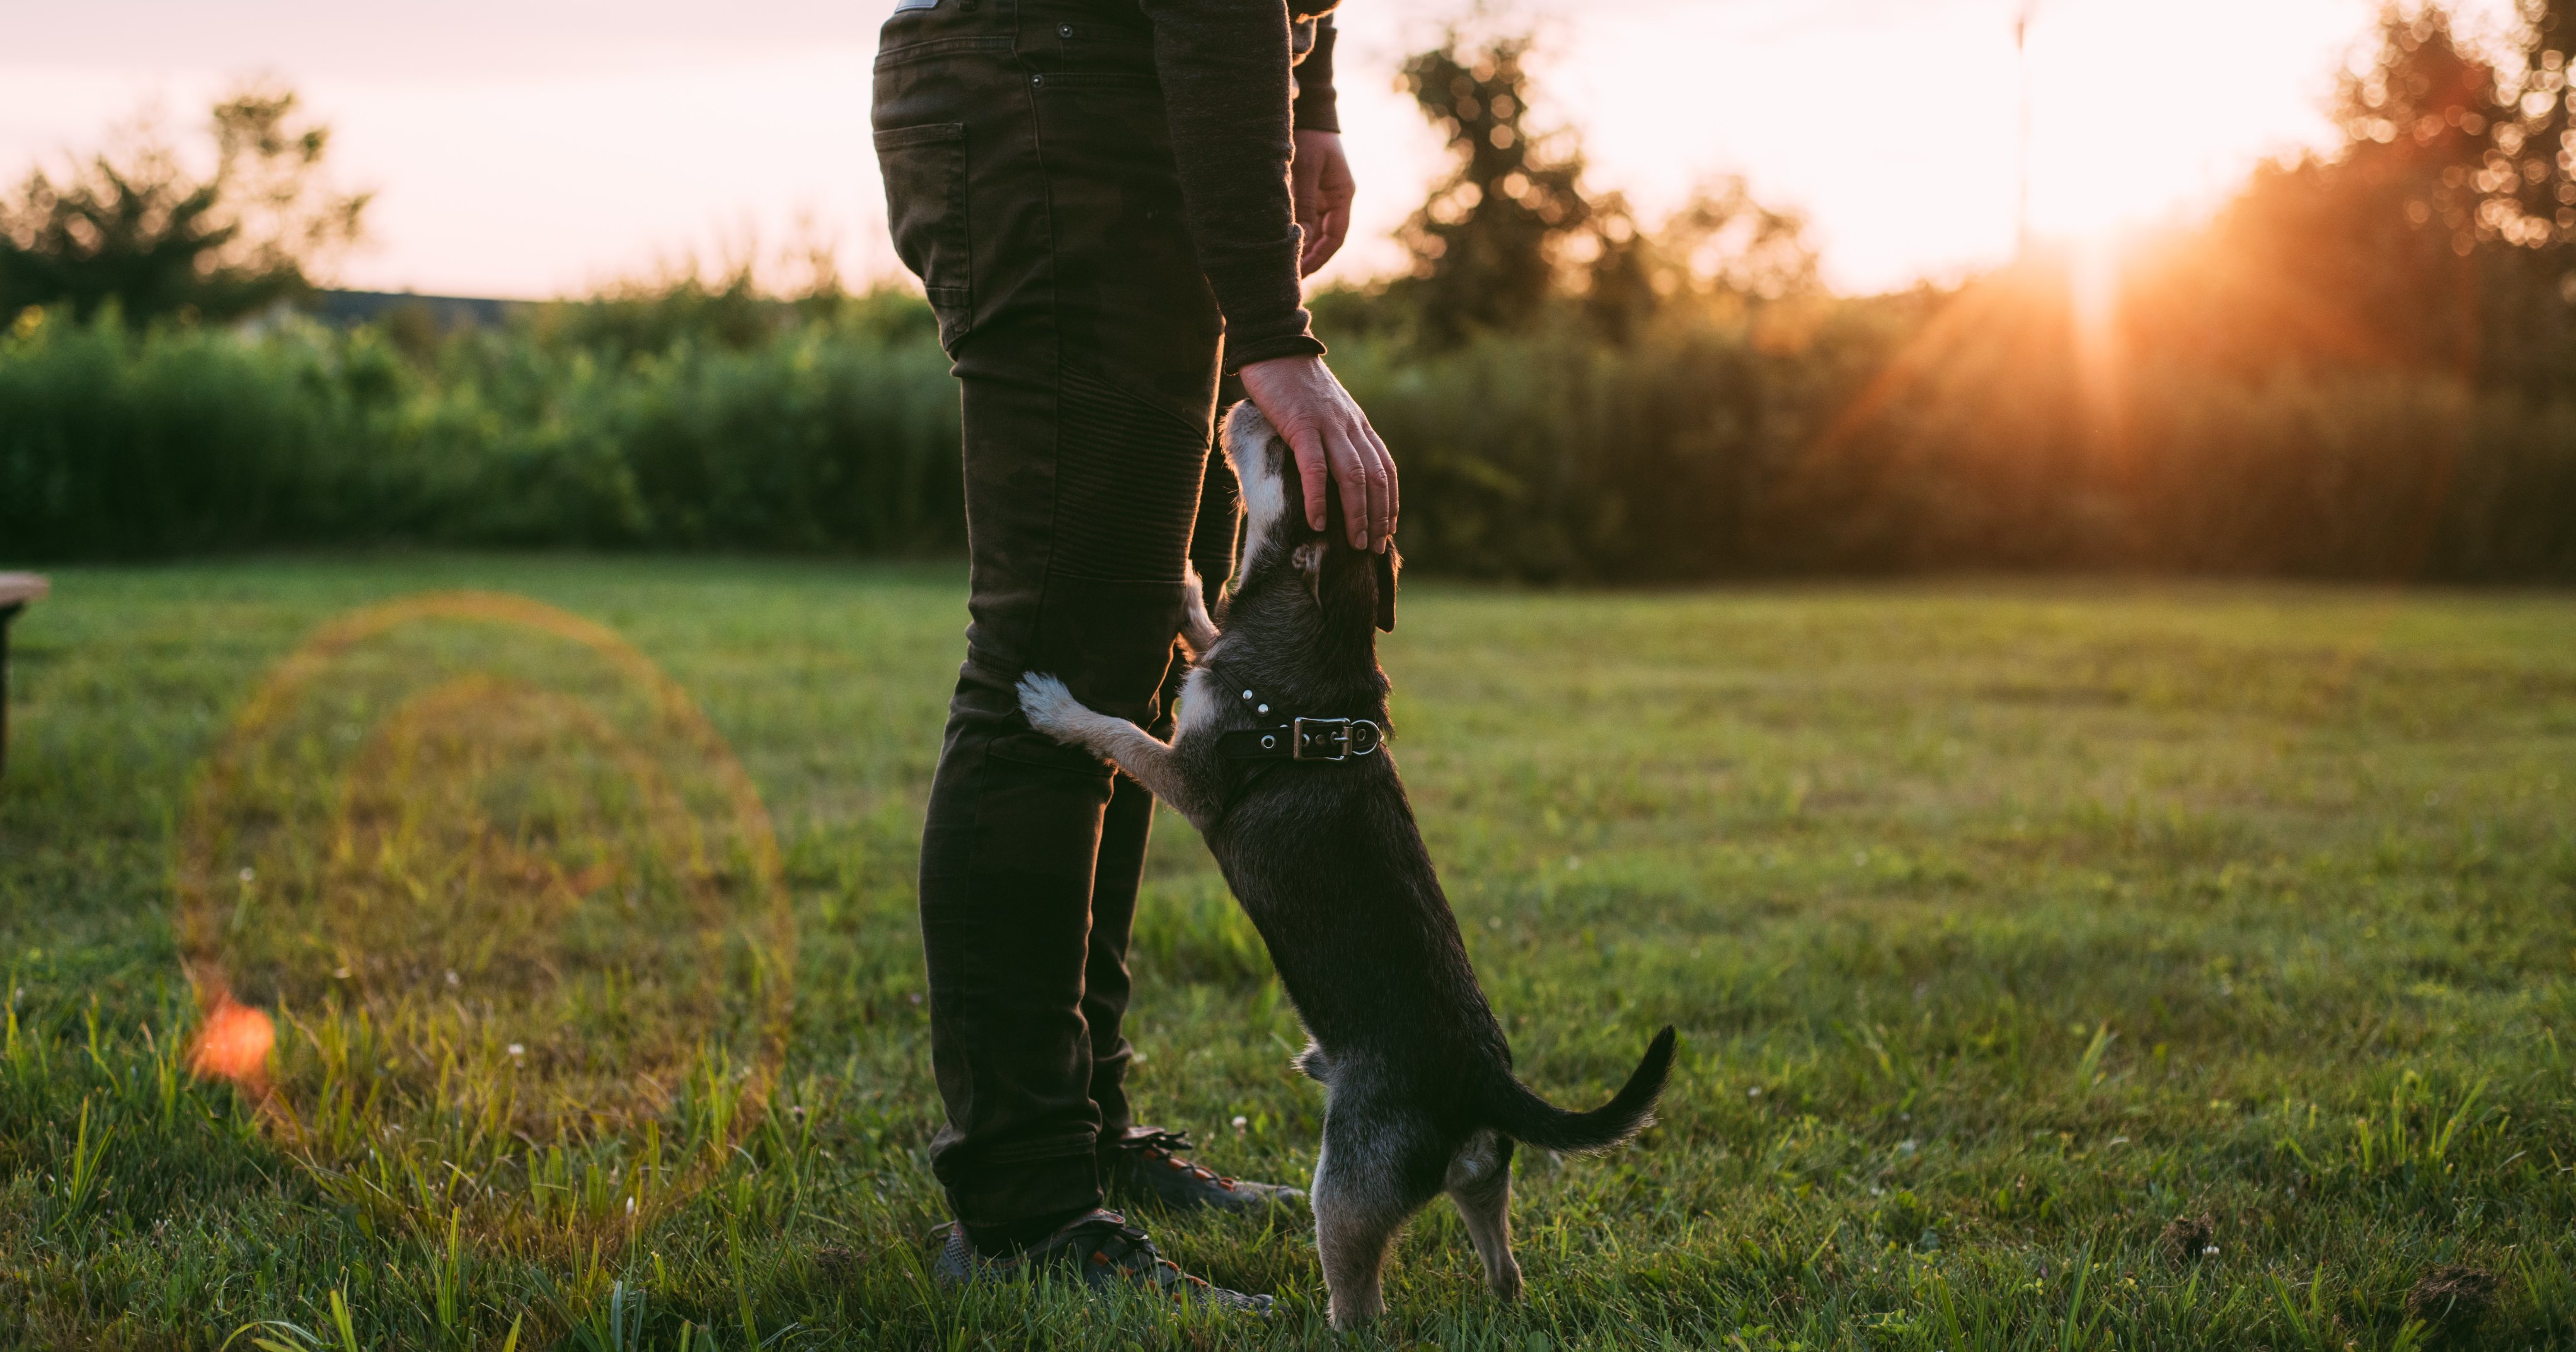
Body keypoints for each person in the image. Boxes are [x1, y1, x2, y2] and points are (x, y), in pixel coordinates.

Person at [871, 0, 1398, 1310]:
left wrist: (1313, 95)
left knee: (1134, 663)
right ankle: (1021, 1205)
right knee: (1050, 670)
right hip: (1052, 99)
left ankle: (1084, 1135)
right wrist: (1276, 335)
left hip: (1122, 96)